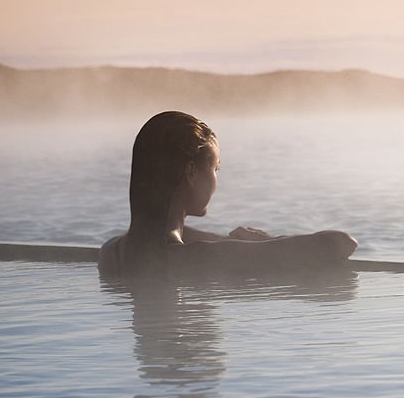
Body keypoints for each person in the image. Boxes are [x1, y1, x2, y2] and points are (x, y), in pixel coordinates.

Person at [98, 111, 358, 277]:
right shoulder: (196, 259)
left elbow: (155, 230)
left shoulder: (110, 253)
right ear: (191, 171)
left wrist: (225, 239)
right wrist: (268, 240)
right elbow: (340, 243)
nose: (215, 181)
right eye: (215, 169)